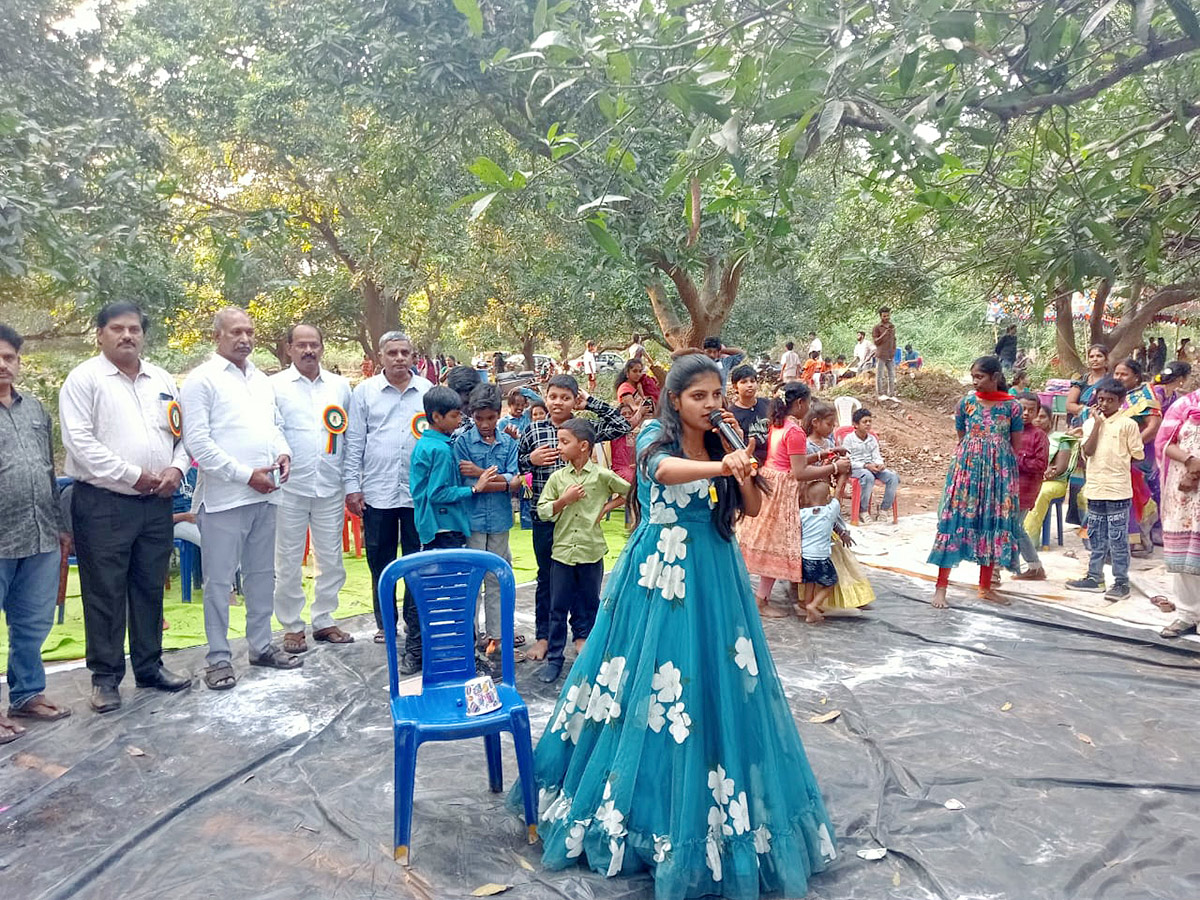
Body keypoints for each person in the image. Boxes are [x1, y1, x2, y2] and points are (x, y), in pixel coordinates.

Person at [518, 353, 836, 897]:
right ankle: (635, 807)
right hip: (658, 577)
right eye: (700, 397)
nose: (712, 405)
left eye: (717, 396)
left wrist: (743, 461)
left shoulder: (723, 442)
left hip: (715, 574)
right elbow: (660, 471)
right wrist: (720, 466)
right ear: (675, 399)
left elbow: (754, 506)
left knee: (713, 681)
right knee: (647, 677)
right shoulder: (651, 436)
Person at [59, 302, 191, 713]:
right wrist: (132, 474)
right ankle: (105, 678)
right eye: (117, 329)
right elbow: (79, 442)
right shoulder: (84, 380)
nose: (126, 336)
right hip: (104, 502)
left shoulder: (162, 379)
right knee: (105, 591)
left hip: (156, 502)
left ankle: (150, 667)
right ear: (100, 334)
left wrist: (176, 467)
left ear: (143, 334)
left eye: (134, 329)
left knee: (150, 586)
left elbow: (182, 434)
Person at [180, 308, 298, 691]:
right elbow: (197, 443)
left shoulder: (262, 380)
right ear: (217, 336)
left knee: (262, 575)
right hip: (224, 498)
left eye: (249, 331)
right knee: (218, 582)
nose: (244, 338)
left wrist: (283, 454)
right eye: (236, 332)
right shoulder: (201, 381)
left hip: (267, 495)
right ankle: (217, 659)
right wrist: (245, 475)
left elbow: (274, 427)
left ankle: (262, 646)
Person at [518, 374, 629, 662]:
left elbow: (621, 424)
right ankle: (544, 637)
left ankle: (581, 635)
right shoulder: (533, 431)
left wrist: (590, 402)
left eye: (566, 397)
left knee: (582, 581)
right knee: (547, 579)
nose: (558, 402)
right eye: (553, 396)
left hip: (581, 522)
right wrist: (531, 461)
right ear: (545, 396)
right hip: (547, 517)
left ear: (574, 400)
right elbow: (517, 466)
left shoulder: (584, 429)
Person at [0, 324, 73, 741]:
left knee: (32, 622)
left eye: (9, 357)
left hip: (41, 534)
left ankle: (27, 693)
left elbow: (48, 471)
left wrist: (61, 527)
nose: (2, 364)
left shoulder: (34, 411)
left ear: (19, 362)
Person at [344, 331, 432, 658]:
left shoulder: (426, 392)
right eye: (392, 352)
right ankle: (385, 622)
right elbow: (354, 442)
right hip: (377, 493)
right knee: (380, 561)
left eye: (404, 352)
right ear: (381, 356)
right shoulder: (365, 392)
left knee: (415, 561)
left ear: (414, 356)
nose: (398, 358)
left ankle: (414, 622)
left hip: (416, 494)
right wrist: (352, 486)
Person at [270, 324, 355, 654]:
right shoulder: (274, 386)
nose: (308, 351)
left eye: (314, 345)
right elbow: (271, 429)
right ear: (288, 348)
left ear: (322, 347)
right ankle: (292, 625)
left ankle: (324, 619)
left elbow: (348, 436)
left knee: (331, 558)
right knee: (288, 560)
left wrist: (349, 483)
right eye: (301, 345)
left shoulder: (339, 386)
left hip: (330, 485)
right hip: (289, 488)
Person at [738, 382, 849, 618]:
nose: (809, 408)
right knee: (776, 545)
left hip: (771, 481)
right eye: (808, 403)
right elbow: (798, 472)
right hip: (782, 488)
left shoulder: (779, 424)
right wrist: (833, 467)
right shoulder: (795, 431)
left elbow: (790, 460)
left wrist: (823, 455)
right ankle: (761, 600)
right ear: (799, 403)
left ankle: (761, 597)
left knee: (768, 543)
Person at [535, 418, 631, 683]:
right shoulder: (558, 478)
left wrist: (607, 508)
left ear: (584, 446)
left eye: (565, 442)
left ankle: (589, 657)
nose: (559, 447)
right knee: (557, 607)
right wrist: (563, 501)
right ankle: (555, 659)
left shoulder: (601, 476)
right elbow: (543, 511)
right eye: (559, 441)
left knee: (590, 604)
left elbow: (630, 491)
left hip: (591, 551)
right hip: (562, 554)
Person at [928, 356, 1023, 609]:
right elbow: (962, 434)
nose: (975, 382)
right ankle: (941, 588)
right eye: (973, 377)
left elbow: (1015, 443)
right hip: (968, 470)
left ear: (995, 377)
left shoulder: (1012, 407)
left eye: (980, 377)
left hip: (998, 473)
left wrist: (997, 462)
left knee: (992, 521)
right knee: (955, 519)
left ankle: (985, 587)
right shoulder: (966, 403)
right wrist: (977, 451)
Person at [454, 384, 522, 661]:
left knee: (496, 578)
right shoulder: (462, 442)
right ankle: (470, 639)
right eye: (479, 418)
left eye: (491, 418)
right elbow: (468, 483)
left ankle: (497, 637)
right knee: (473, 580)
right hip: (472, 520)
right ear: (471, 415)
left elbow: (516, 482)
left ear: (499, 415)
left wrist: (482, 475)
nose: (485, 424)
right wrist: (500, 481)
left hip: (500, 520)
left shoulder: (509, 443)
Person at [1066, 377, 1143, 600]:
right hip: (1095, 489)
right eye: (1101, 399)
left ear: (1120, 401)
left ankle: (1121, 582)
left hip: (1118, 491)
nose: (1105, 404)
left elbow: (1137, 455)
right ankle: (1095, 578)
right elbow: (1088, 452)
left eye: (1110, 400)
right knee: (1096, 537)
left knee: (1118, 539)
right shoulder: (1090, 424)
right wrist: (1098, 425)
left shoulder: (1128, 425)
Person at [1153, 385, 1200, 637]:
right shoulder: (1184, 405)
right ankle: (1187, 615)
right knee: (1185, 559)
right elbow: (1165, 444)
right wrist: (1191, 462)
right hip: (1184, 493)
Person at [1112, 357, 1162, 557]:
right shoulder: (1113, 394)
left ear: (1136, 377)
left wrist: (1132, 449)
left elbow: (1153, 426)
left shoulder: (1144, 394)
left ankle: (1139, 541)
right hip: (1114, 455)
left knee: (1135, 494)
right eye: (1116, 373)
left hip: (1139, 455)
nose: (1119, 377)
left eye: (1124, 374)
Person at [1023, 410, 1080, 554]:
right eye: (1036, 416)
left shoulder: (1060, 440)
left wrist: (1041, 475)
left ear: (1050, 419)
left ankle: (1028, 541)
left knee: (1041, 492)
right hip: (1029, 477)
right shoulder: (1024, 436)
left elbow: (1059, 468)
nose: (1038, 420)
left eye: (1042, 417)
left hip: (1053, 481)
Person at [1011, 395, 1050, 581]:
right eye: (1022, 408)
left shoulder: (1038, 436)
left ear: (1036, 412)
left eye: (1031, 410)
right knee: (1009, 526)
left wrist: (1017, 458)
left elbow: (1041, 465)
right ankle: (1030, 566)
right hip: (1003, 488)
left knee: (1014, 526)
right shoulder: (1007, 430)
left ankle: (1034, 566)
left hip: (1024, 490)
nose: (1025, 413)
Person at [843, 408, 900, 524]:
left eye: (869, 421)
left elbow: (876, 455)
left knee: (893, 477)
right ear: (856, 424)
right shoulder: (849, 439)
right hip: (856, 468)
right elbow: (847, 460)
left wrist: (880, 464)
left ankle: (884, 509)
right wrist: (865, 465)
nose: (868, 424)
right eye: (865, 422)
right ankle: (862, 510)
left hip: (872, 467)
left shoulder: (872, 439)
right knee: (868, 476)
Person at [799, 480, 842, 623]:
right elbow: (839, 490)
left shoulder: (802, 514)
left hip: (805, 556)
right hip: (821, 557)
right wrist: (843, 475)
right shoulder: (829, 512)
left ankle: (808, 611)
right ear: (827, 499)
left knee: (809, 583)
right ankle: (813, 605)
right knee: (830, 583)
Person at [728, 364, 770, 467]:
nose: (749, 385)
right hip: (751, 462)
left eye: (752, 381)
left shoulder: (768, 404)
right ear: (735, 387)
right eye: (744, 382)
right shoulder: (732, 414)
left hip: (775, 458)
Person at [671, 336, 746, 391]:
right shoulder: (695, 362)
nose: (712, 355)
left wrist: (723, 350)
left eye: (715, 352)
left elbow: (741, 354)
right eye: (709, 351)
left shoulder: (725, 363)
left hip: (719, 402)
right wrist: (692, 350)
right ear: (704, 351)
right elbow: (674, 356)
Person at [1066, 343, 1111, 421]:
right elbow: (1069, 405)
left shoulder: (1111, 381)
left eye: (1099, 356)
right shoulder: (1081, 380)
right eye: (1091, 357)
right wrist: (1087, 410)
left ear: (1106, 360)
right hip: (1081, 422)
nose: (1095, 359)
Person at [872, 307, 897, 399]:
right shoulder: (877, 327)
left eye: (888, 315)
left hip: (890, 354)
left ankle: (891, 394)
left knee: (892, 375)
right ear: (881, 317)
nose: (886, 317)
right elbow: (876, 342)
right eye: (884, 316)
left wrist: (893, 351)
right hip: (881, 354)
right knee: (880, 375)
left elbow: (894, 340)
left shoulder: (892, 326)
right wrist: (884, 334)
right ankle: (880, 393)